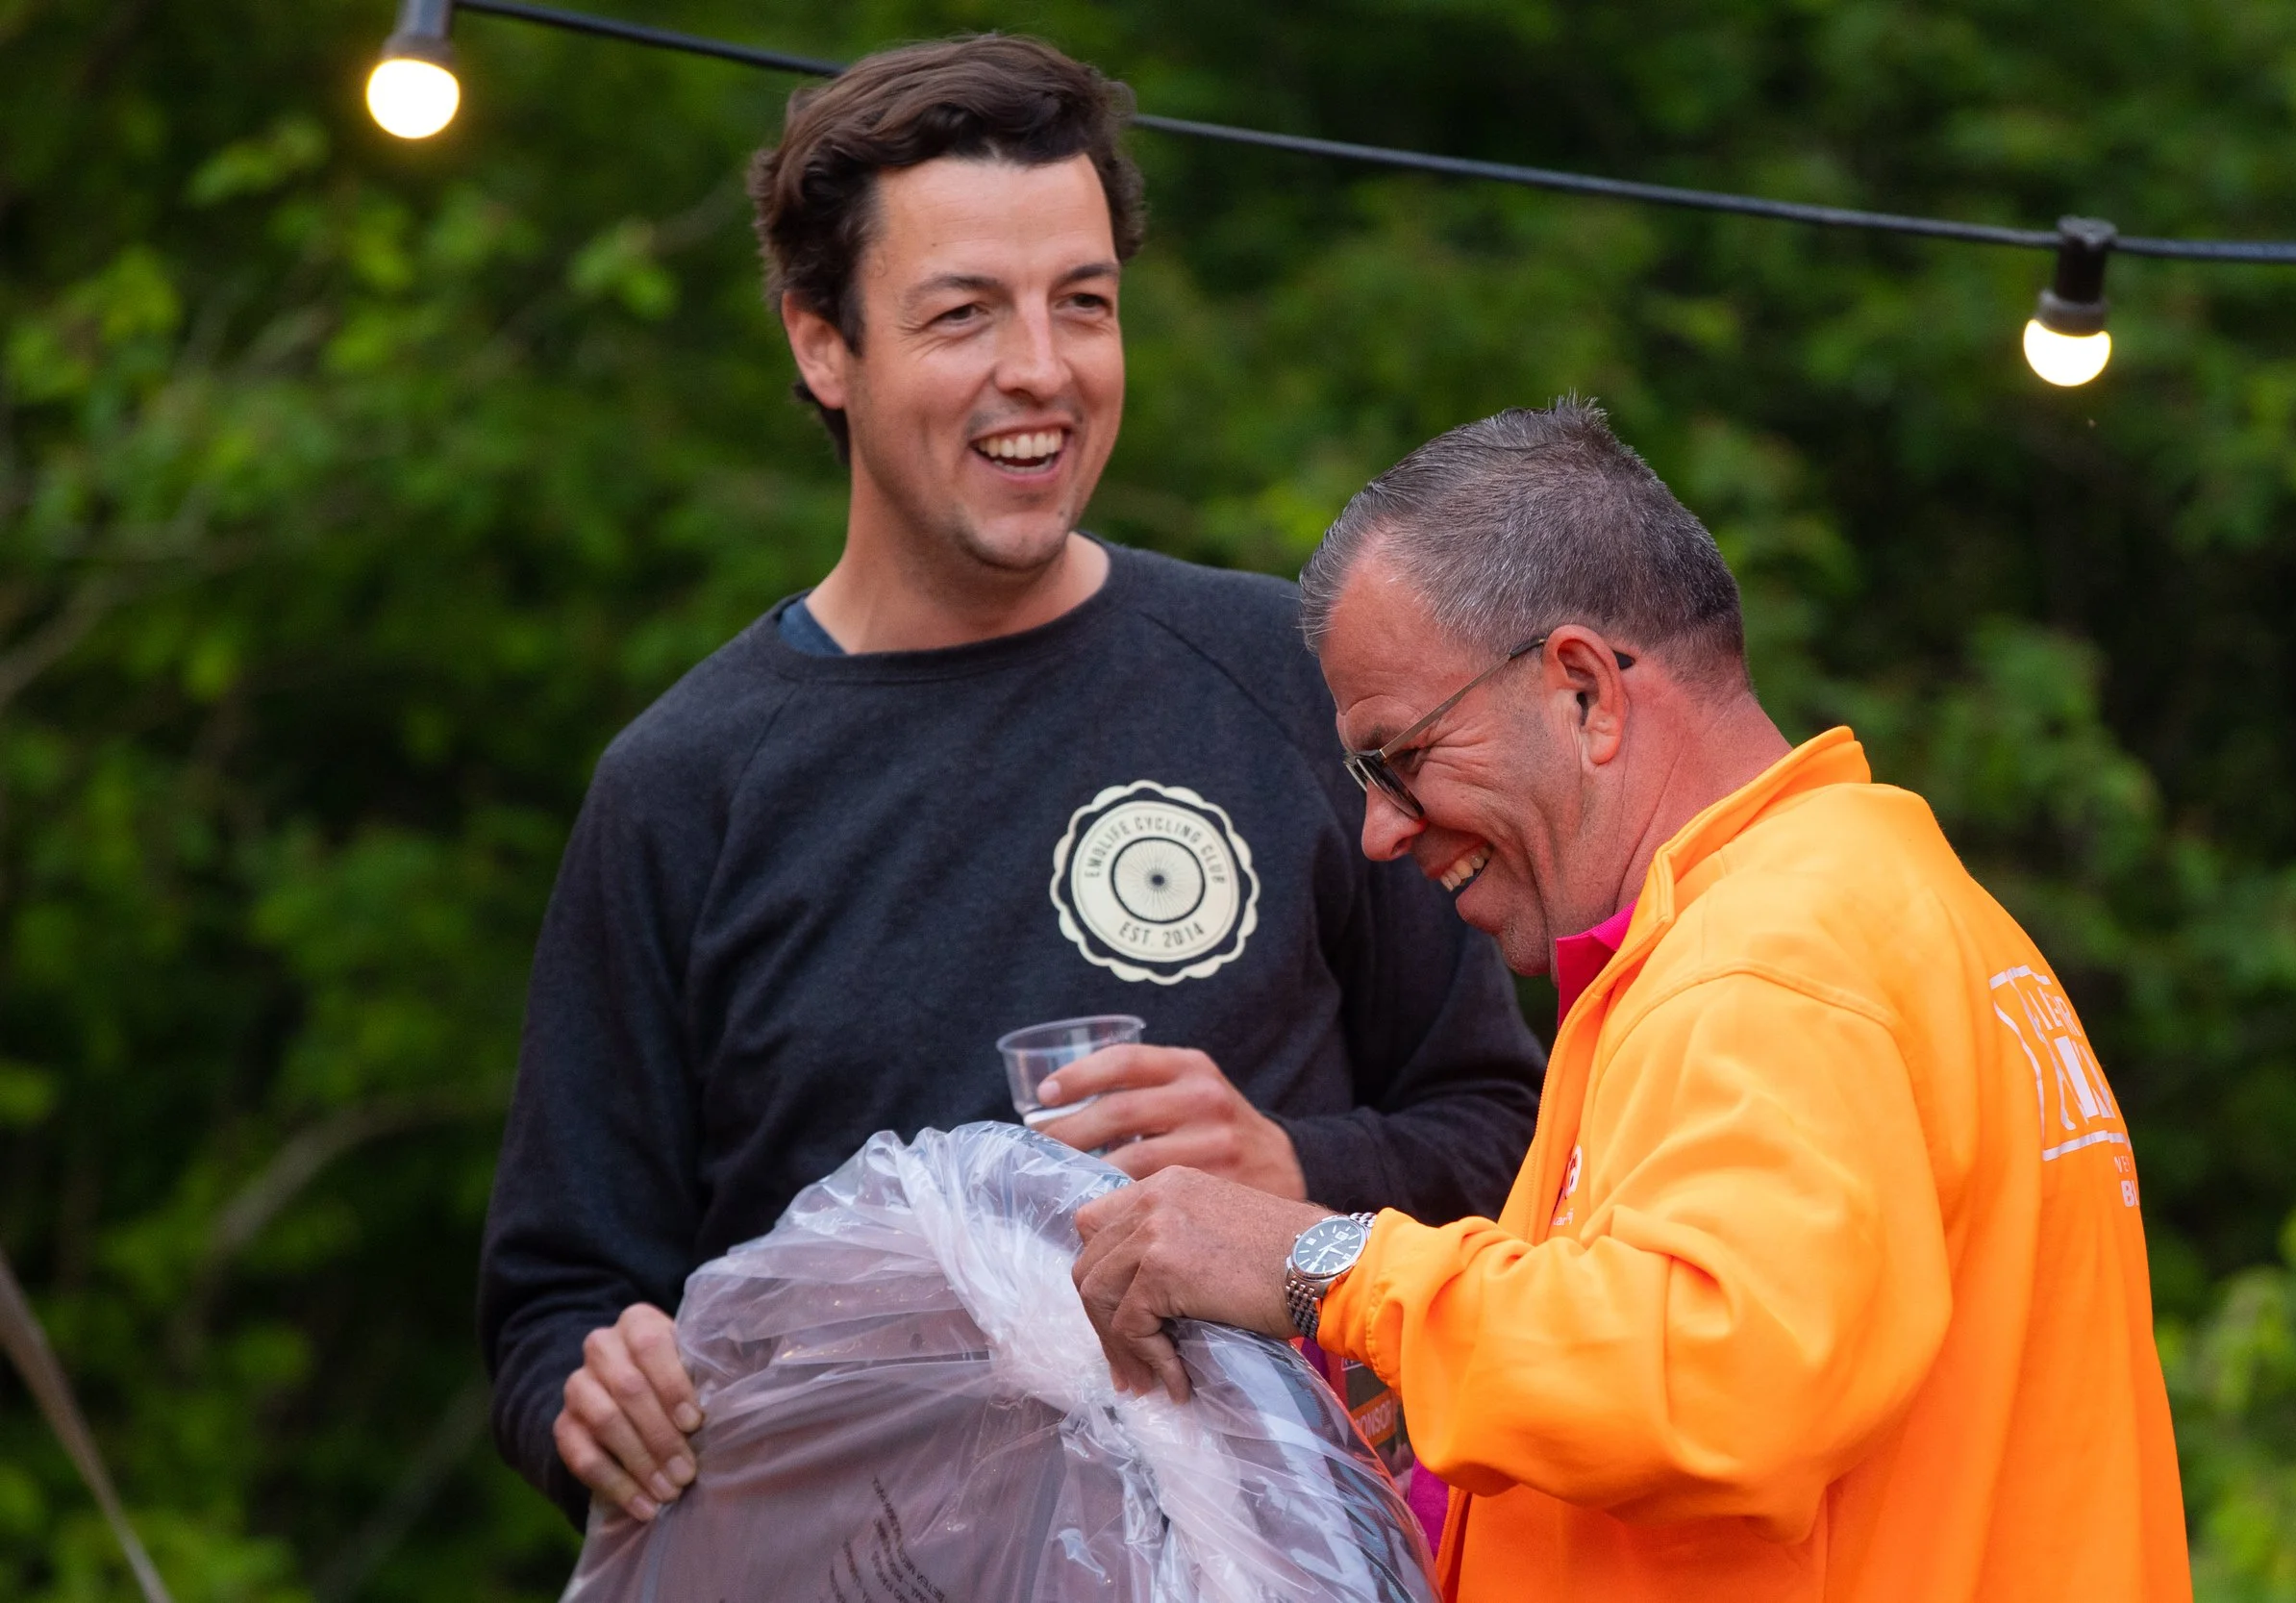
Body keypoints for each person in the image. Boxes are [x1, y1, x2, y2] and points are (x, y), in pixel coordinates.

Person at [475, 38, 1546, 1529]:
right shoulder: (684, 785)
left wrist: (1292, 1166)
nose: (1041, 367)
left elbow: (1512, 1144)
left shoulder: (1287, 675)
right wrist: (593, 1390)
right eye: (964, 312)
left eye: (1083, 303)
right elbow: (556, 1299)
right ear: (822, 345)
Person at [1071, 399, 2191, 1602]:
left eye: (1399, 757)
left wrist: (1321, 1263)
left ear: (1584, 692)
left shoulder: (1765, 962)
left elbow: (1719, 1380)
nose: (1381, 830)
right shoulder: (1884, 905)